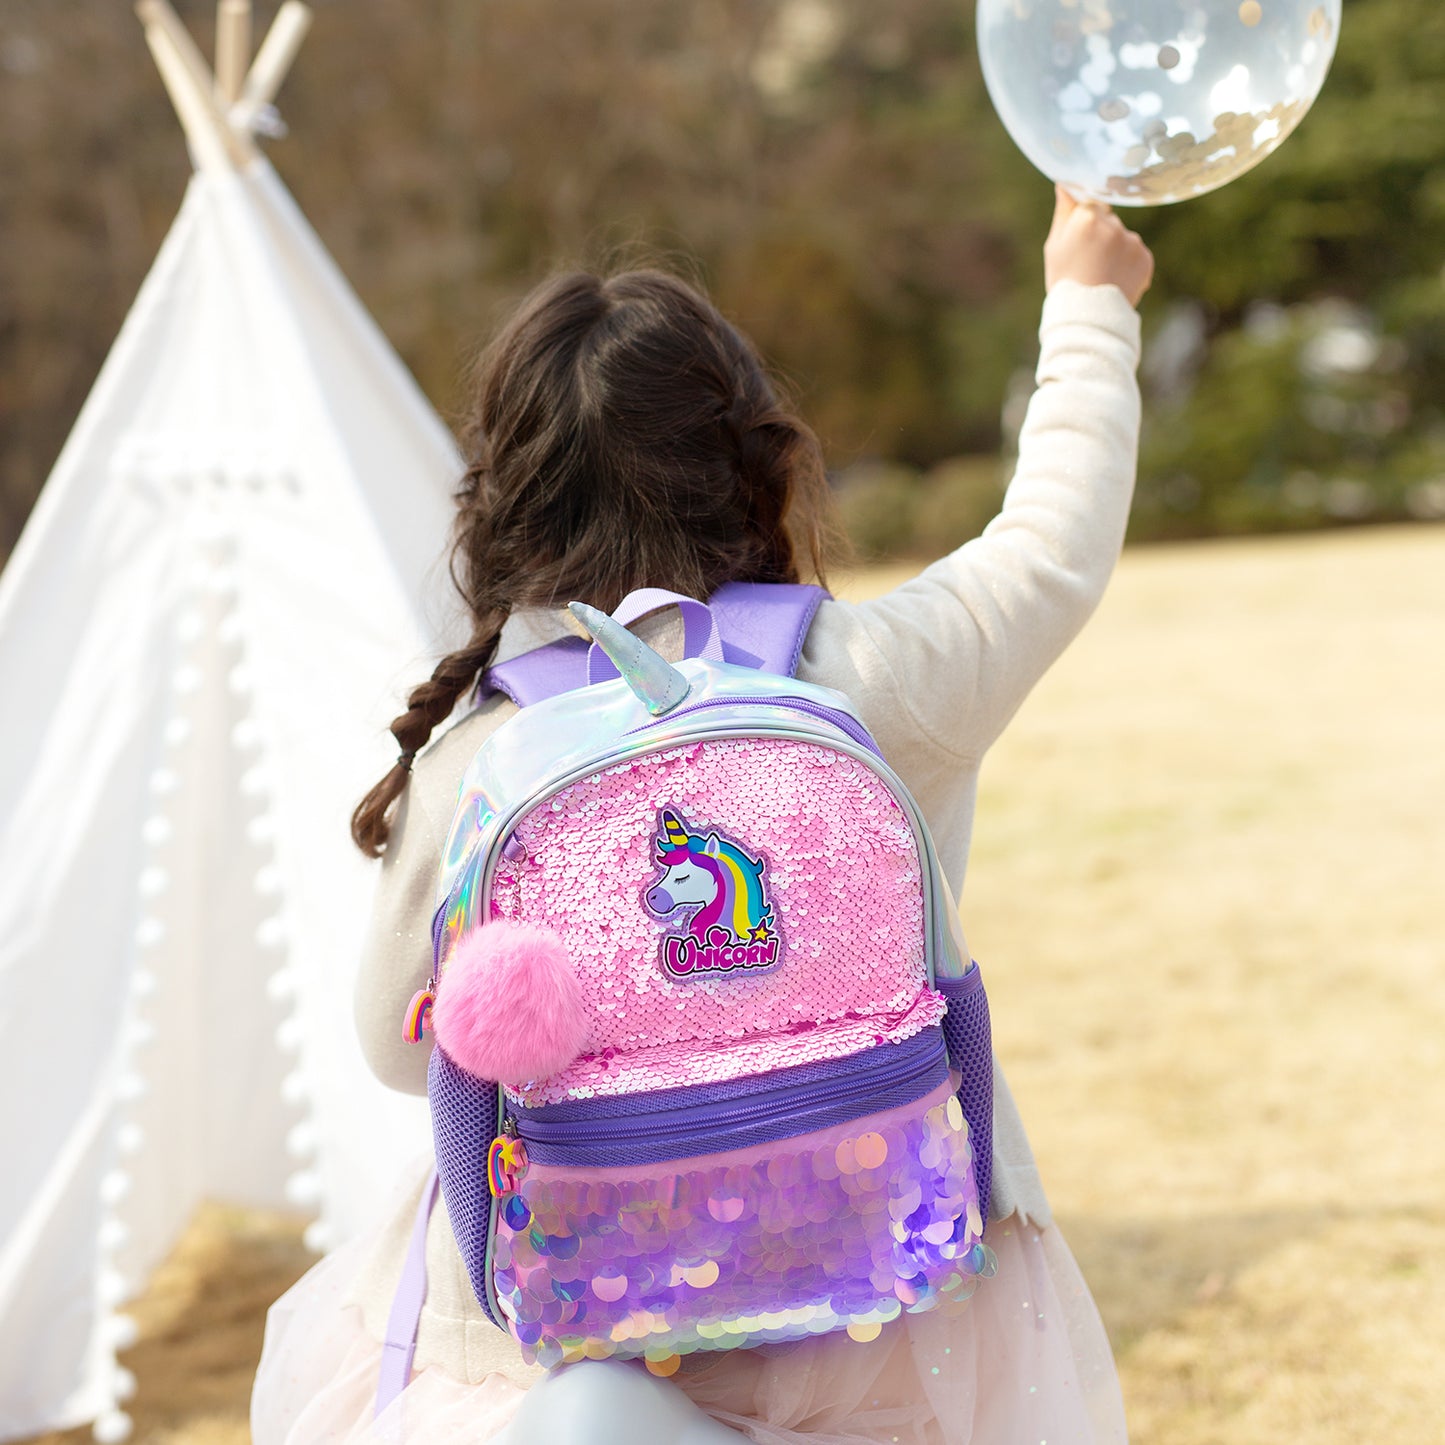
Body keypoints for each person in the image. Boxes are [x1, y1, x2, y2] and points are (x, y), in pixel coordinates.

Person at [252, 186, 1153, 1444]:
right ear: (761, 459)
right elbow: (1052, 544)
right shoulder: (866, 675)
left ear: (499, 501)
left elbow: (399, 1047)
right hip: (887, 1308)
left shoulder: (482, 759)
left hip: (575, 1329)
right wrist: (1088, 305)